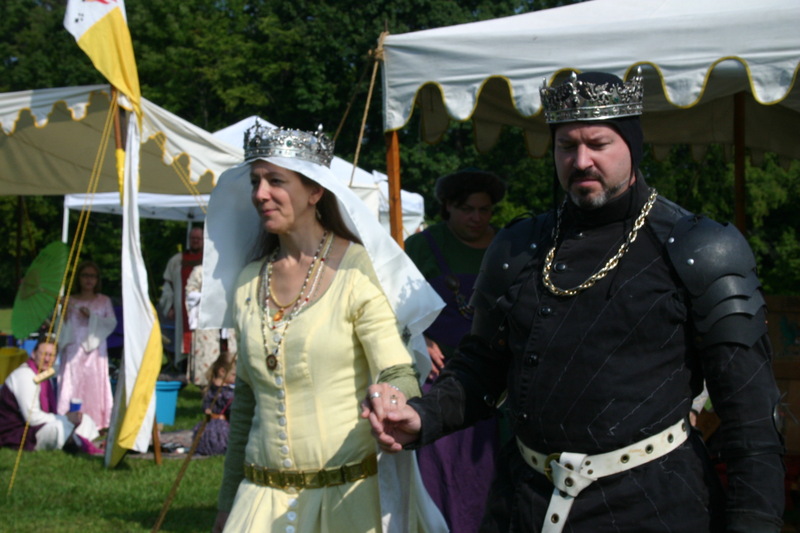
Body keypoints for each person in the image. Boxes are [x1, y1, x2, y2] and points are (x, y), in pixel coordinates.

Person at [364, 70, 786, 532]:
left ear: (632, 145)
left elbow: (750, 415)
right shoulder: (518, 247)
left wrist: (754, 522)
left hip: (654, 508)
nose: (581, 160)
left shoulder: (698, 249)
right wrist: (421, 415)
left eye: (598, 144)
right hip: (524, 504)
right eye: (567, 146)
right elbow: (481, 367)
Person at [202, 122, 447, 532]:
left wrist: (395, 401)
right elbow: (245, 403)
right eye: (256, 181)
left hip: (348, 503)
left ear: (315, 191)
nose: (260, 193)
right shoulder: (247, 282)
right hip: (259, 502)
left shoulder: (357, 271)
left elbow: (396, 369)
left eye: (276, 180)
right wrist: (227, 505)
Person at [404, 169, 507, 533]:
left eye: (484, 209)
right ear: (447, 206)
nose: (477, 217)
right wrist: (420, 339)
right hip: (440, 379)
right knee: (441, 475)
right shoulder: (421, 247)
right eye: (467, 209)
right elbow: (394, 309)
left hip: (501, 381)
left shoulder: (510, 244)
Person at [0, 334, 100, 453]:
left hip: (36, 427)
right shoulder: (25, 375)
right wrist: (64, 418)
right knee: (59, 427)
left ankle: (82, 443)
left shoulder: (45, 377)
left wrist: (67, 418)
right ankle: (80, 444)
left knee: (84, 419)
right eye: (44, 354)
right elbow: (32, 418)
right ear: (33, 354)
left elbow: (47, 414)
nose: (47, 359)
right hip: (16, 433)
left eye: (51, 355)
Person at [57, 260, 117, 430]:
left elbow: (111, 323)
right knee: (72, 383)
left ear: (97, 279)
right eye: (85, 275)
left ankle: (97, 421)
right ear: (79, 278)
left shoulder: (104, 301)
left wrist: (92, 318)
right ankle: (69, 419)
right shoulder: (70, 300)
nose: (89, 280)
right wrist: (64, 310)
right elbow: (62, 326)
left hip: (95, 350)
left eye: (93, 276)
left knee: (94, 384)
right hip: (74, 349)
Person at [159, 226, 204, 371]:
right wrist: (169, 307)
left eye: (198, 238)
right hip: (182, 309)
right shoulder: (177, 260)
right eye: (193, 238)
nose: (195, 241)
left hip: (204, 309)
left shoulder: (209, 260)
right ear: (189, 240)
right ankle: (184, 371)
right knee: (183, 341)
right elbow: (168, 287)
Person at [185, 264, 238, 387]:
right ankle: (207, 386)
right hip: (207, 320)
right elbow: (190, 294)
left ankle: (230, 384)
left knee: (231, 352)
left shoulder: (230, 269)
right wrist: (209, 296)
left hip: (227, 319)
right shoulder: (200, 271)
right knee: (208, 353)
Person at [192, 353, 236, 456]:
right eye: (234, 375)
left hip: (208, 424)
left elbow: (205, 404)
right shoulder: (227, 393)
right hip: (222, 427)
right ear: (222, 371)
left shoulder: (211, 387)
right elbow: (232, 411)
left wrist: (207, 409)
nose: (236, 378)